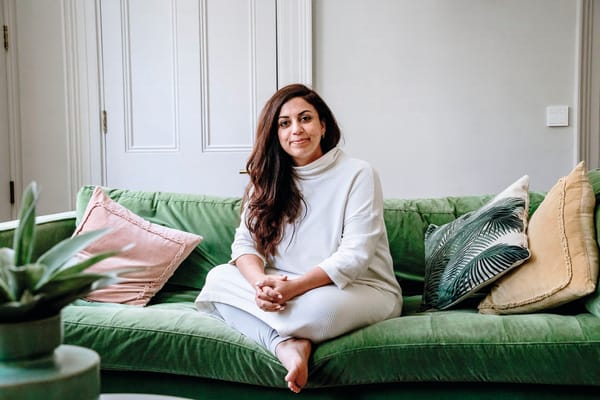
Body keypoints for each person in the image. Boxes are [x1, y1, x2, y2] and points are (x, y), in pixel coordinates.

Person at [195, 83, 402, 393]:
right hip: (282, 287)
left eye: (305, 118)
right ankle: (286, 345)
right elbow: (244, 245)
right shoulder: (265, 180)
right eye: (284, 123)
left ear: (323, 125)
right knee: (216, 280)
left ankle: (285, 332)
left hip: (356, 289)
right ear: (275, 133)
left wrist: (294, 289)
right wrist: (260, 286)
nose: (296, 129)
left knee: (316, 312)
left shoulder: (358, 174)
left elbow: (355, 255)